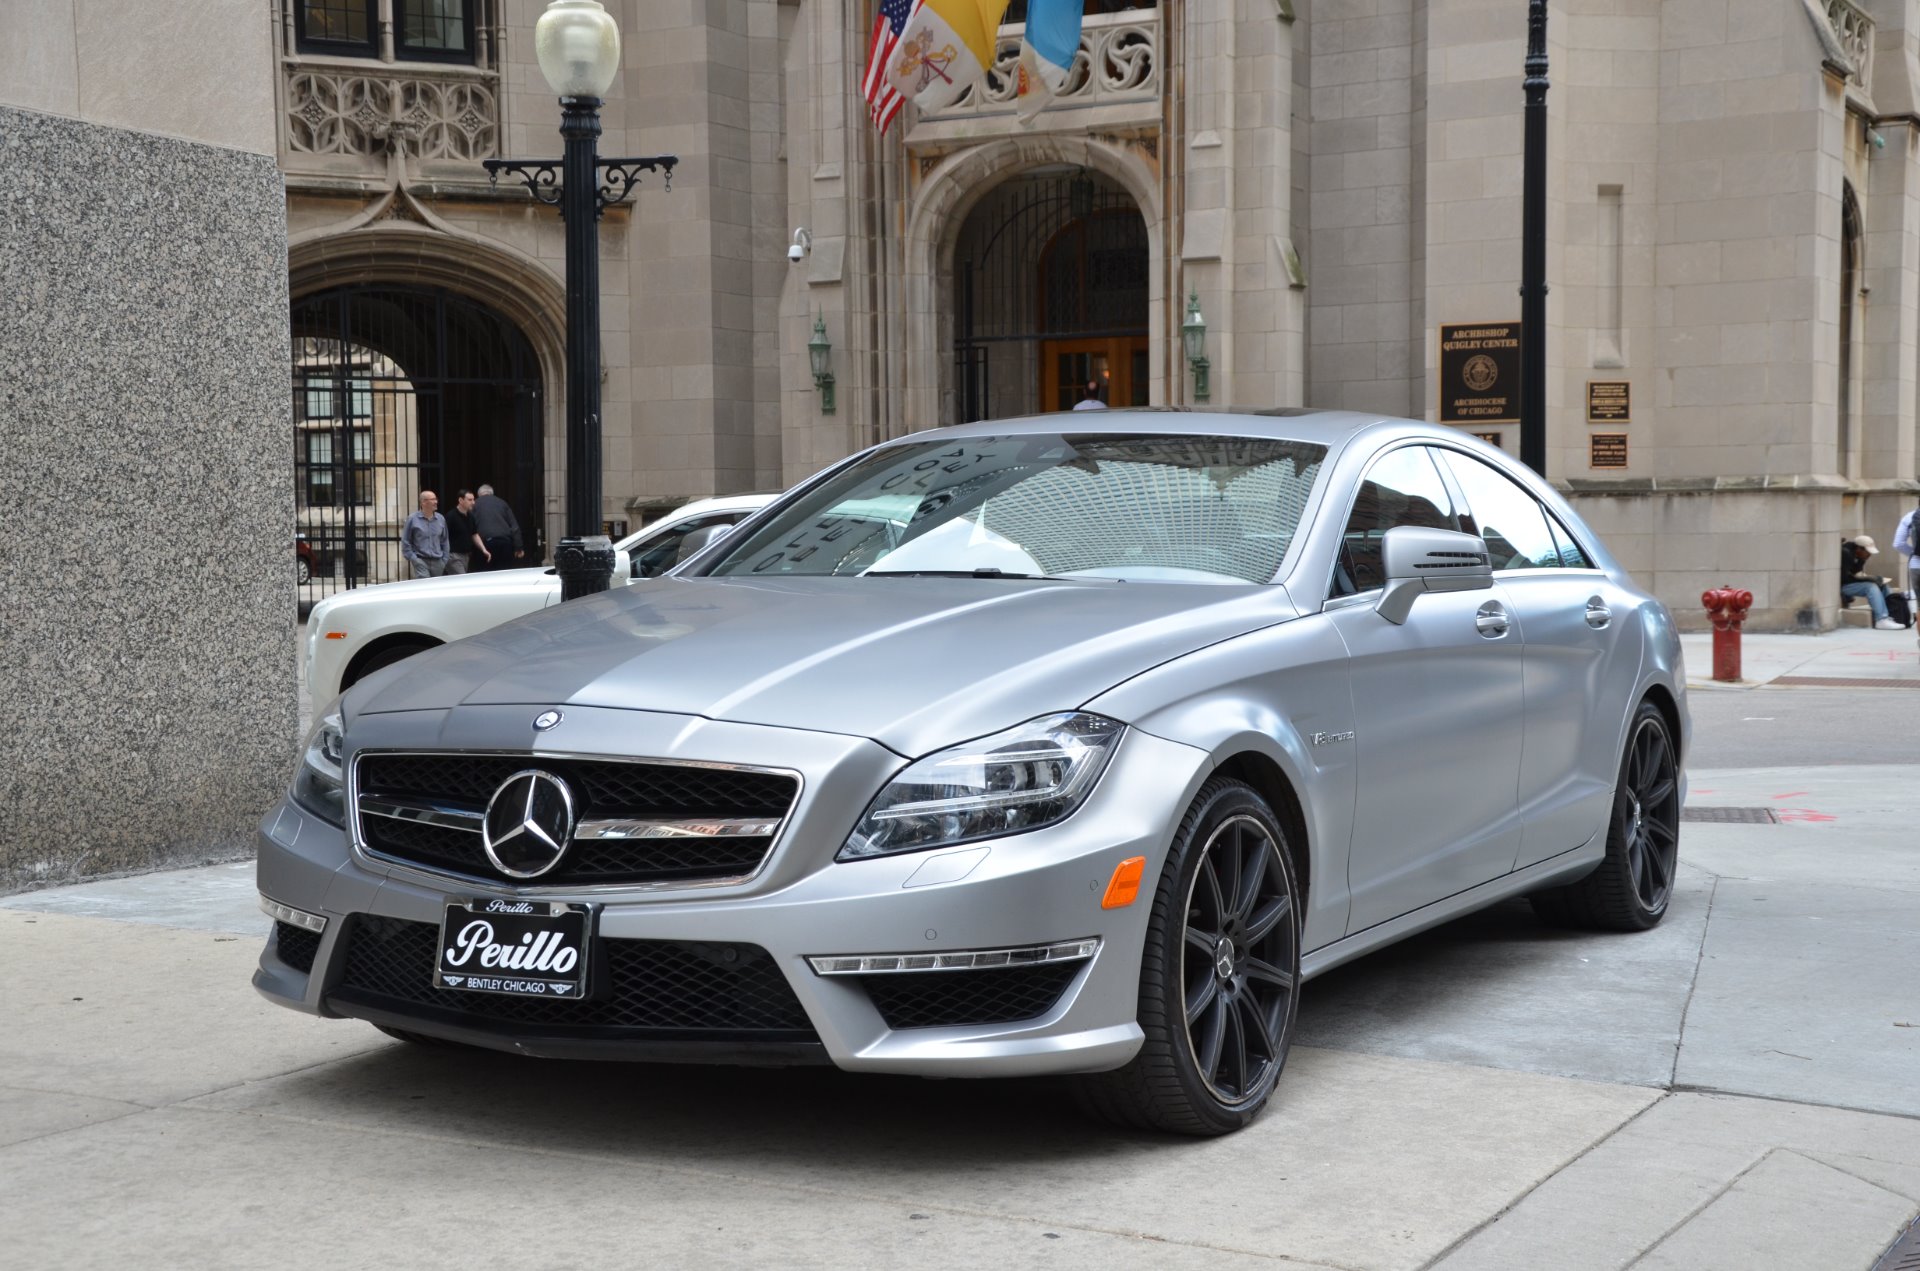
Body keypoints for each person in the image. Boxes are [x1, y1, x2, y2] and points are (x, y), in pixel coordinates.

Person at [1841, 535, 1901, 629]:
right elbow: (1844, 578)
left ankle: (1892, 615)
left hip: (1848, 583)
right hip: (1843, 586)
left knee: (1883, 585)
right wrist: (1867, 579)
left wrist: (1862, 560)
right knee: (1870, 587)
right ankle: (1881, 619)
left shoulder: (1856, 554)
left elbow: (1854, 571)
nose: (1869, 555)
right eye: (1868, 552)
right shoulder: (1846, 554)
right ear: (1859, 549)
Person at [472, 482, 524, 570]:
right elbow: (514, 527)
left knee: (485, 574)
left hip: (485, 545)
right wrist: (518, 547)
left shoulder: (475, 504)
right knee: (504, 573)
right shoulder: (502, 503)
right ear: (492, 493)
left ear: (479, 494)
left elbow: (470, 527)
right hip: (505, 543)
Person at [400, 490, 450, 580]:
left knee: (435, 588)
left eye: (436, 499)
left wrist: (444, 559)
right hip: (420, 560)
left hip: (438, 561)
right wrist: (413, 558)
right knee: (425, 586)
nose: (436, 502)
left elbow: (444, 540)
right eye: (433, 499)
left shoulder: (441, 519)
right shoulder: (412, 519)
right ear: (423, 502)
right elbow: (406, 540)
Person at [444, 488, 484, 575]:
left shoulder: (471, 516)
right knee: (462, 578)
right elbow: (443, 536)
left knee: (459, 581)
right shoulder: (451, 516)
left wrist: (484, 550)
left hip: (466, 555)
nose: (473, 502)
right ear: (460, 500)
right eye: (470, 500)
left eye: (473, 499)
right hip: (453, 555)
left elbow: (474, 534)